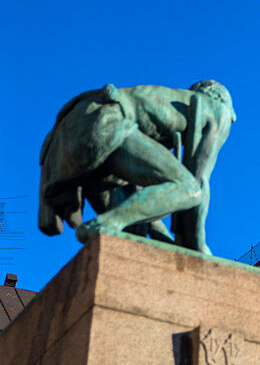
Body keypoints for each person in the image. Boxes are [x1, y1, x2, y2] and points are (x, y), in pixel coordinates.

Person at [38, 80, 235, 254]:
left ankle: (107, 228)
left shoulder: (165, 104)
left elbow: (145, 206)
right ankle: (106, 224)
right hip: (107, 123)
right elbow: (198, 181)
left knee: (128, 236)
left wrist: (168, 241)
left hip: (74, 128)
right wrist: (198, 247)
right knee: (189, 189)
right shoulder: (218, 109)